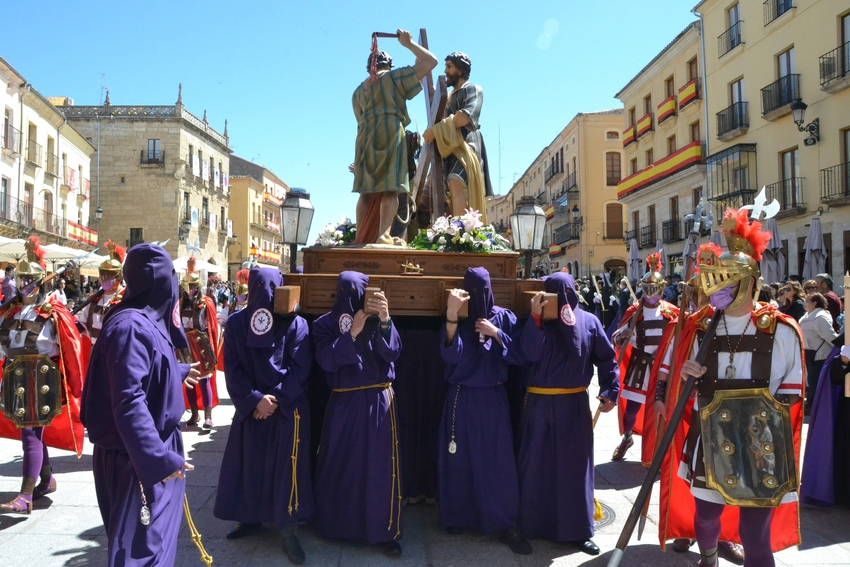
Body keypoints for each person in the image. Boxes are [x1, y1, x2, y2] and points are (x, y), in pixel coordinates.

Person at [654, 207, 804, 567]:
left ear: (749, 281)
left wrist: (758, 424)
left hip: (760, 442)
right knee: (705, 517)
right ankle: (709, 558)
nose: (719, 288)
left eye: (728, 280)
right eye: (716, 280)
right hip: (711, 435)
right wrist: (686, 376)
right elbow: (678, 382)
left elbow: (791, 392)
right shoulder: (700, 329)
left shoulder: (780, 330)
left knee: (755, 534)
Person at [82, 243, 200, 566]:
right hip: (135, 460)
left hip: (144, 453)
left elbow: (142, 369)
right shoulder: (130, 326)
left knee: (156, 546)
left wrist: (177, 372)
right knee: (139, 554)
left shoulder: (140, 321)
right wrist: (157, 460)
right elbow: (129, 400)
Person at [214, 267, 314, 565]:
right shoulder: (235, 324)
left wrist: (270, 401)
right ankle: (250, 518)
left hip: (284, 411)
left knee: (286, 469)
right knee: (250, 466)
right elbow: (232, 369)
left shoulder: (297, 325)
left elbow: (300, 369)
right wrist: (256, 400)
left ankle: (287, 527)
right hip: (255, 410)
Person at [516, 272, 618, 555]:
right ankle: (532, 524)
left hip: (573, 405)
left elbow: (607, 358)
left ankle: (577, 530)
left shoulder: (589, 322)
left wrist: (610, 389)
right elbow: (526, 355)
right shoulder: (534, 322)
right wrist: (536, 320)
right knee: (535, 465)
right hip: (537, 404)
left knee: (574, 468)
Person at [438, 267, 531, 554]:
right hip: (462, 397)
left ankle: (502, 522)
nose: (479, 297)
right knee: (460, 460)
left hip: (493, 397)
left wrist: (496, 333)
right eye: (472, 291)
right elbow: (449, 355)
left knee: (496, 462)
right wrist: (452, 316)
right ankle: (458, 516)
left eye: (483, 290)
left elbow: (520, 355)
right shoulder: (459, 317)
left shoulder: (504, 316)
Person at [313, 271, 404, 556]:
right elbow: (327, 361)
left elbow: (393, 354)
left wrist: (386, 320)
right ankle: (337, 526)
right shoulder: (324, 324)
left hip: (378, 401)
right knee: (341, 466)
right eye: (344, 292)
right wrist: (351, 333)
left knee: (379, 469)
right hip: (344, 404)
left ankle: (383, 531)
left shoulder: (380, 321)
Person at [0, 236, 88, 514]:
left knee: (30, 433)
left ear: (40, 281)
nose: (22, 283)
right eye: (20, 277)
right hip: (14, 379)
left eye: (28, 278)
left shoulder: (52, 313)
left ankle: (25, 496)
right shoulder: (8, 312)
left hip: (41, 382)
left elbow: (71, 345)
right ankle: (47, 479)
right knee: (31, 433)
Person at [351, 28, 437, 245]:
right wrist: (408, 43)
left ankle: (360, 236)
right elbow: (431, 61)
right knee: (391, 187)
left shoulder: (358, 92)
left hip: (364, 137)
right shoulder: (393, 77)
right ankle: (383, 235)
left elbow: (359, 122)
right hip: (390, 130)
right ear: (388, 65)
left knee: (366, 191)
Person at [611, 252, 678, 462]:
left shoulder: (672, 312)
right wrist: (623, 335)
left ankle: (659, 446)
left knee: (663, 409)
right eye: (647, 288)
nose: (650, 292)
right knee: (631, 411)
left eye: (654, 288)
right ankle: (628, 438)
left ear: (661, 288)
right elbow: (615, 336)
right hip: (639, 366)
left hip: (662, 368)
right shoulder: (634, 311)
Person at [423, 52, 493, 219]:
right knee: (441, 191)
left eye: (450, 67)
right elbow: (428, 92)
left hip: (466, 146)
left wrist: (436, 130)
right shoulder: (446, 97)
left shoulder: (472, 89)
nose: (446, 71)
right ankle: (451, 230)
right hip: (447, 149)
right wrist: (418, 58)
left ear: (460, 70)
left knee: (456, 180)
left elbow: (465, 117)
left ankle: (460, 230)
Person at [179, 257, 220, 429]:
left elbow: (211, 327)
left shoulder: (206, 303)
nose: (191, 290)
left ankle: (208, 417)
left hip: (201, 345)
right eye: (188, 287)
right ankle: (194, 413)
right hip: (185, 346)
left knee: (204, 381)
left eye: (194, 286)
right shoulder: (180, 304)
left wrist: (211, 348)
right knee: (189, 379)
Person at [799, 292, 838, 414]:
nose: (804, 303)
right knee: (811, 380)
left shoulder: (820, 317)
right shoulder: (808, 315)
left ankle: (815, 406)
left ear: (814, 303)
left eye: (807, 301)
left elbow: (830, 336)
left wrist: (839, 348)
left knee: (817, 381)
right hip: (809, 353)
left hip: (819, 355)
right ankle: (811, 404)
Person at [80, 240, 126, 345]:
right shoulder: (93, 300)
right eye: (104, 274)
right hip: (94, 351)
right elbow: (83, 324)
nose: (105, 278)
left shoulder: (126, 299)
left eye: (110, 274)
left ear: (120, 276)